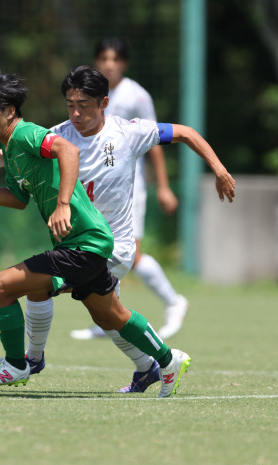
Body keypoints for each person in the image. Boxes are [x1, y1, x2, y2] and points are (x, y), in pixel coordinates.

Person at [0, 68, 197, 397]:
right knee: (111, 314)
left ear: (8, 111)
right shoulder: (11, 150)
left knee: (1, 288)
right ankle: (166, 360)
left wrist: (63, 204)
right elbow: (18, 200)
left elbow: (68, 150)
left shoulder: (25, 135)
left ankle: (21, 363)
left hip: (84, 242)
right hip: (87, 242)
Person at [71, 37, 188, 342]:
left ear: (124, 63)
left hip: (129, 190)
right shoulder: (88, 93)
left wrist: (163, 186)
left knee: (129, 254)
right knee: (101, 249)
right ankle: (106, 314)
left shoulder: (137, 95)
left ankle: (173, 302)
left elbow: (156, 141)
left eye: (115, 59)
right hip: (98, 190)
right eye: (104, 59)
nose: (109, 64)